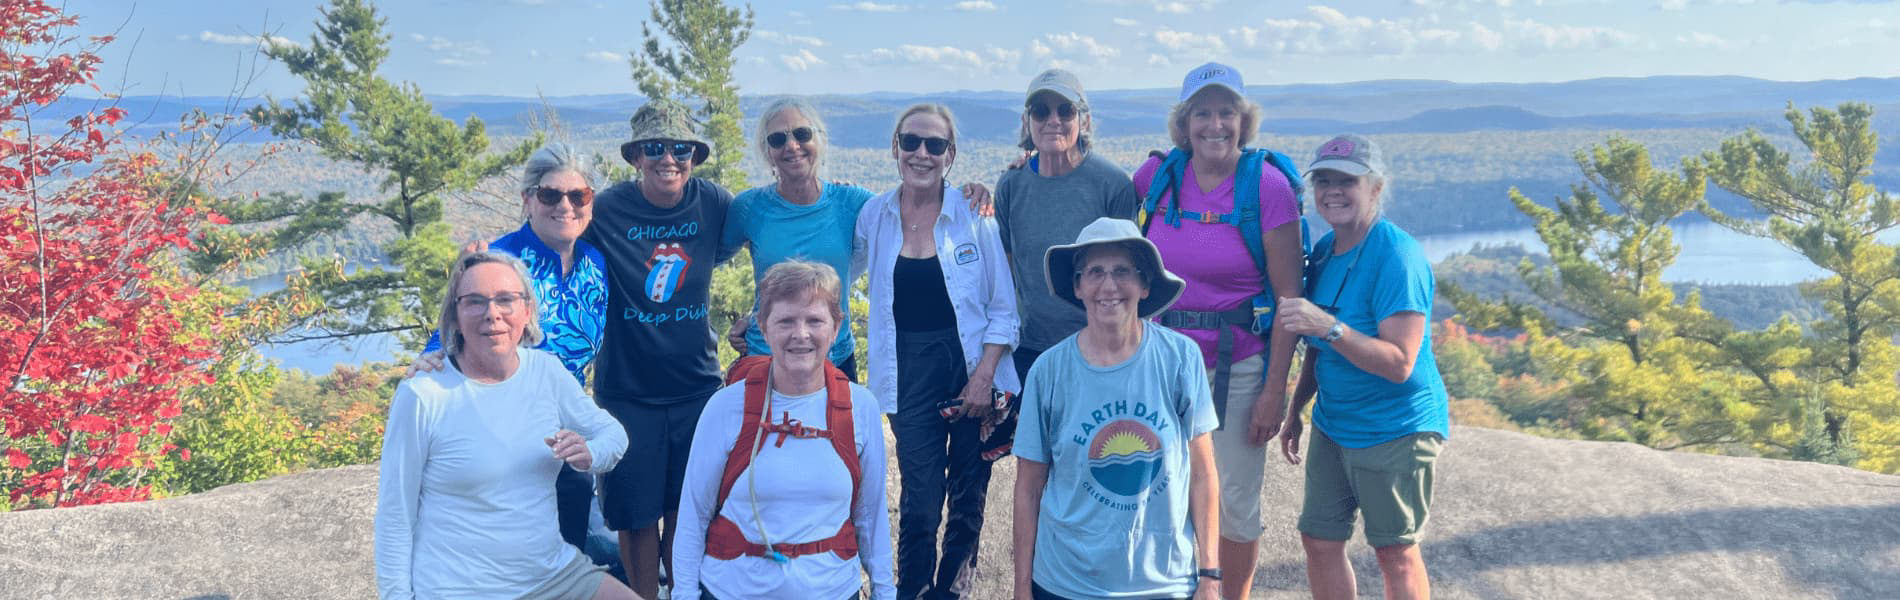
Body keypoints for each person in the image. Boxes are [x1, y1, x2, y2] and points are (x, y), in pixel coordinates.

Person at [1132, 62, 1305, 600]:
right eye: (1201, 113)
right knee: (1163, 490)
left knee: (1233, 500)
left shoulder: (1268, 187)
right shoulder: (1154, 179)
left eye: (1226, 112)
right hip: (1161, 364)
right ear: (1183, 123)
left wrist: (1275, 391)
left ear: (1243, 120)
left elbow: (1289, 303)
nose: (1215, 124)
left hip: (1241, 365)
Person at [375, 252, 635, 600]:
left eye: (505, 300)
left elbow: (614, 435)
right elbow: (395, 514)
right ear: (454, 314)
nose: (491, 314)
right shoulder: (424, 394)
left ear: (526, 310)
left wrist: (590, 453)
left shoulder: (546, 372)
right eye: (475, 301)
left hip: (554, 575)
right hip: (460, 589)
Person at [417, 143, 612, 565]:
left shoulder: (595, 264)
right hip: (501, 440)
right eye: (550, 195)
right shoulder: (500, 261)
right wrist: (431, 359)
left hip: (562, 440)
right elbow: (452, 331)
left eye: (578, 196)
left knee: (565, 558)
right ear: (527, 199)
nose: (566, 206)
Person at [855, 103, 1019, 599]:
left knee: (968, 499)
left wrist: (985, 376)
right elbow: (832, 273)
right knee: (921, 501)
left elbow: (1003, 308)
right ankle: (912, 592)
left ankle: (952, 592)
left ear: (950, 155)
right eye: (911, 142)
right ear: (895, 148)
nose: (921, 153)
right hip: (906, 373)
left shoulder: (974, 213)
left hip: (971, 366)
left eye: (934, 145)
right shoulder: (874, 215)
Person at [1011, 217, 1221, 600]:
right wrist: (1022, 587)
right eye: (1095, 272)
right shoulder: (1049, 370)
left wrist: (1210, 574)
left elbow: (1203, 473)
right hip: (1065, 583)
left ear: (1145, 285)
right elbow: (1028, 487)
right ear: (1078, 286)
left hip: (1164, 583)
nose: (1109, 286)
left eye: (1123, 271)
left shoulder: (1179, 359)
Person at [1276, 134, 1448, 600]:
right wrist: (1298, 410)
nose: (1333, 190)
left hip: (1395, 427)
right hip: (1335, 424)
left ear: (1375, 188)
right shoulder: (1328, 251)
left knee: (1395, 553)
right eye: (1324, 180)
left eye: (1347, 181)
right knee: (1318, 539)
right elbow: (1316, 345)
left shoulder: (1397, 256)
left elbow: (1399, 364)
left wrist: (1330, 327)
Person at [583, 103, 739, 600]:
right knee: (634, 516)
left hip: (696, 387)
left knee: (686, 512)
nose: (668, 158)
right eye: (654, 147)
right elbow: (551, 242)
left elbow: (769, 239)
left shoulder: (712, 201)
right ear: (635, 156)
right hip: (628, 391)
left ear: (695, 155)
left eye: (680, 148)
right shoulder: (604, 210)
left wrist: (755, 320)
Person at [722, 98, 991, 380]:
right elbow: (706, 260)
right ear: (767, 152)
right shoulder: (748, 209)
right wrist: (752, 316)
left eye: (802, 134)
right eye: (778, 139)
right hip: (766, 358)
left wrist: (965, 196)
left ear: (819, 139)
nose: (792, 146)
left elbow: (915, 210)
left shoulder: (854, 203)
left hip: (834, 357)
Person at [672, 260, 894, 600]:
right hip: (732, 591)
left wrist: (884, 592)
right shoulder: (726, 406)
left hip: (833, 591)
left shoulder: (859, 407)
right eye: (786, 321)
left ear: (836, 328)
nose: (800, 334)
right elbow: (693, 516)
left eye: (815, 321)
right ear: (763, 326)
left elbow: (871, 517)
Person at [992, 68, 1139, 387]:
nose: (1053, 119)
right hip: (1028, 350)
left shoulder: (1112, 185)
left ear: (1084, 121)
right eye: (1041, 111)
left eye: (1065, 110)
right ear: (1027, 122)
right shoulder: (1011, 185)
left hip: (1098, 348)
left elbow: (1129, 275)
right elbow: (1007, 274)